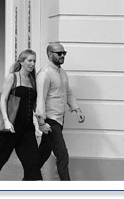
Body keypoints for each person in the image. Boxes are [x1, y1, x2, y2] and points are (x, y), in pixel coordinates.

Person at [0, 49, 50, 180]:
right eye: (29, 60)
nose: (32, 64)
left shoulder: (33, 80)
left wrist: (41, 124)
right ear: (21, 61)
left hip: (27, 128)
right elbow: (3, 99)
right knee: (0, 156)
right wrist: (6, 121)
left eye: (34, 61)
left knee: (32, 162)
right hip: (12, 125)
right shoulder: (13, 77)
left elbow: (34, 106)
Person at [34, 42, 84, 181]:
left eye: (64, 53)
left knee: (42, 154)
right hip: (50, 120)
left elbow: (67, 92)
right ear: (50, 54)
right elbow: (40, 99)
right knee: (62, 154)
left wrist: (76, 108)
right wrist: (41, 122)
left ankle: (28, 179)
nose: (63, 56)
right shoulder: (44, 74)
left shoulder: (62, 72)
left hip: (60, 119)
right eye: (59, 53)